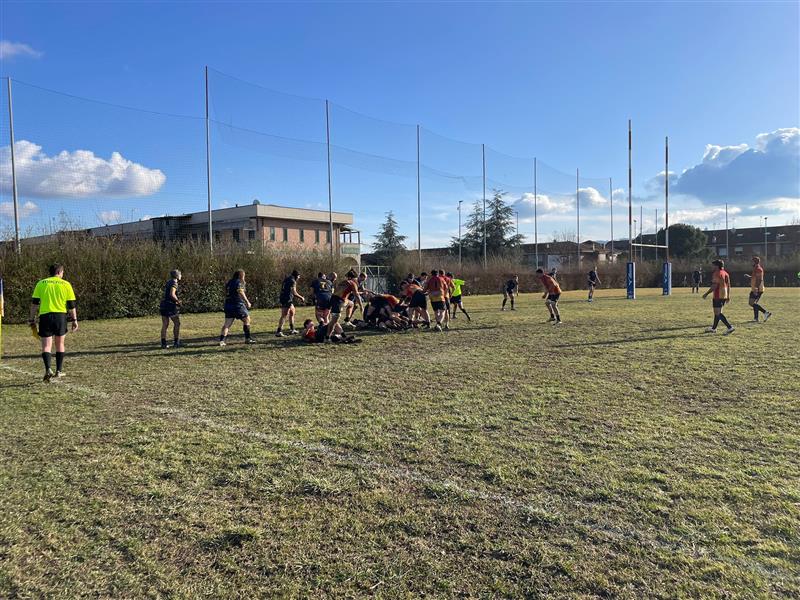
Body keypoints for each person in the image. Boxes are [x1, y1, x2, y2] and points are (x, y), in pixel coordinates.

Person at [29, 264, 78, 382]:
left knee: (46, 346)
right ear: (60, 272)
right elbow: (71, 305)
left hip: (45, 316)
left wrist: (31, 318)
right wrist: (74, 320)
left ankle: (48, 369)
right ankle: (58, 371)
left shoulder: (41, 283)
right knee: (60, 344)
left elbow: (34, 303)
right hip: (60, 317)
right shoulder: (66, 284)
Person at [219, 270, 257, 346]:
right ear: (241, 276)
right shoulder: (239, 282)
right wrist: (247, 301)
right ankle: (248, 339)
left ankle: (222, 341)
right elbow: (240, 291)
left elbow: (225, 291)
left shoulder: (229, 282)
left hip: (228, 305)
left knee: (227, 324)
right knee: (247, 320)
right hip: (237, 305)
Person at [327, 270, 363, 341]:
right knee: (334, 321)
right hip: (339, 301)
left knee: (351, 304)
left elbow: (338, 291)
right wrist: (362, 306)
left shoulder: (343, 282)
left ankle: (346, 323)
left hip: (333, 299)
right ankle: (327, 337)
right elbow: (357, 295)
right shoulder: (353, 283)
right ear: (354, 278)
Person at [702, 259, 734, 335]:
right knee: (717, 312)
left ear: (717, 266)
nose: (713, 266)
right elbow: (729, 285)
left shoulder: (717, 273)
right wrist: (728, 296)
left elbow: (714, 285)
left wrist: (706, 293)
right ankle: (714, 328)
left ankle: (729, 327)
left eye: (714, 265)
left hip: (718, 295)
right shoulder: (725, 273)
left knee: (718, 312)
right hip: (724, 294)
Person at [159, 269, 184, 349]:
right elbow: (172, 294)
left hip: (163, 304)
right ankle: (176, 342)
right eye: (180, 274)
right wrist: (178, 301)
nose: (181, 276)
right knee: (177, 323)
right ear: (177, 276)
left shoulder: (168, 282)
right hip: (170, 306)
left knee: (165, 324)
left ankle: (163, 343)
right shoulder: (174, 283)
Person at [276, 269, 305, 337]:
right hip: (287, 299)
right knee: (284, 315)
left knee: (292, 312)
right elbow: (294, 292)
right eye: (299, 276)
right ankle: (279, 331)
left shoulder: (287, 279)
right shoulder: (293, 281)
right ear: (296, 276)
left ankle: (292, 329)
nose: (299, 278)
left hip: (284, 297)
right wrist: (301, 297)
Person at [744, 256, 772, 323]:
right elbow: (755, 277)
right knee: (754, 303)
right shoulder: (755, 268)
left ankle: (766, 312)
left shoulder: (758, 269)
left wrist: (756, 288)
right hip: (756, 288)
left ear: (754, 262)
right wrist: (749, 277)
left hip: (758, 289)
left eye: (752, 261)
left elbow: (760, 279)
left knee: (751, 303)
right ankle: (756, 318)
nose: (751, 263)